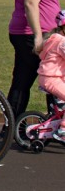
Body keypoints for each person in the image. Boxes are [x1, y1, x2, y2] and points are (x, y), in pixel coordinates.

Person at [7, 0, 64, 126]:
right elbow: (31, 3)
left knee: (23, 80)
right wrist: (38, 36)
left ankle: (11, 126)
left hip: (29, 34)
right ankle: (55, 126)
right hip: (31, 35)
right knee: (53, 75)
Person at [37, 10, 65, 143]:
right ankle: (63, 131)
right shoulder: (62, 42)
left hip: (49, 77)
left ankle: (58, 121)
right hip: (51, 78)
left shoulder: (53, 38)